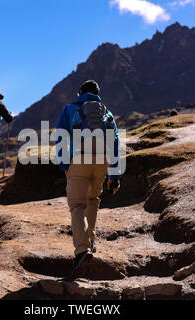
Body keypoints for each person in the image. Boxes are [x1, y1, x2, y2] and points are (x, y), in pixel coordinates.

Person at [56, 80, 121, 279]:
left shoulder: (70, 109)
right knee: (92, 200)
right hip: (102, 161)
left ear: (80, 92)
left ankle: (82, 250)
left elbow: (61, 137)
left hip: (79, 159)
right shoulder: (107, 113)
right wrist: (115, 175)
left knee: (77, 206)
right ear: (98, 94)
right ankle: (90, 242)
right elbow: (115, 141)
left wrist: (64, 165)